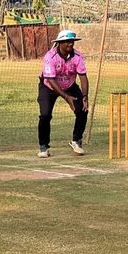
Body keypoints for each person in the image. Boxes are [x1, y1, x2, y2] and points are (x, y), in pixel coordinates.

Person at [37, 30, 89, 158]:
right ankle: (44, 146)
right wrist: (66, 96)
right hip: (49, 86)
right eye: (67, 41)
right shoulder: (50, 57)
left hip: (69, 86)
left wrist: (85, 96)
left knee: (82, 110)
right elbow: (51, 79)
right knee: (45, 115)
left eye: (72, 41)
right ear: (59, 43)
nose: (70, 44)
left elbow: (83, 77)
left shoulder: (78, 57)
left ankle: (76, 141)